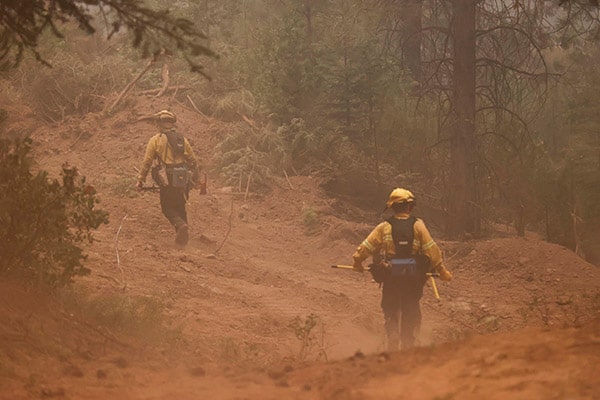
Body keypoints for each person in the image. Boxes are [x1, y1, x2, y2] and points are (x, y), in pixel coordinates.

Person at [352, 188, 452, 351]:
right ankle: (408, 342)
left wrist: (357, 262)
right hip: (413, 277)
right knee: (411, 307)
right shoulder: (418, 226)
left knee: (390, 306)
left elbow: (366, 247)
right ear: (410, 207)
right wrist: (442, 272)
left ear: (392, 207)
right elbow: (432, 251)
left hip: (391, 274)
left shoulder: (384, 227)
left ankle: (392, 333)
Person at [136, 110, 200, 245]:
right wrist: (196, 179)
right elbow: (192, 160)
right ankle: (183, 240)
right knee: (180, 205)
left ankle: (181, 226)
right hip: (182, 177)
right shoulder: (182, 139)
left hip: (167, 178)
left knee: (167, 207)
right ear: (172, 123)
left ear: (159, 123)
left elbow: (147, 162)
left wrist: (141, 180)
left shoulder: (156, 140)